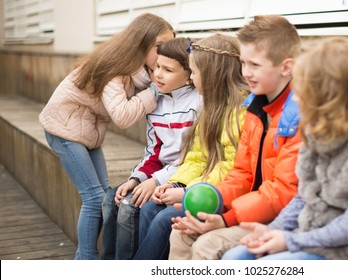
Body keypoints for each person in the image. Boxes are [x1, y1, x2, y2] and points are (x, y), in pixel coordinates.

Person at [222, 37, 348, 260]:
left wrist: (290, 241)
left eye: (304, 88)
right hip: (312, 234)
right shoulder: (317, 130)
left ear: (331, 92)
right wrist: (272, 231)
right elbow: (303, 196)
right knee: (235, 258)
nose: (295, 96)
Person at [38, 13, 174, 260]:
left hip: (87, 130)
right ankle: (86, 260)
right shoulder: (116, 69)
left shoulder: (140, 71)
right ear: (141, 43)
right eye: (159, 47)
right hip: (63, 129)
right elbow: (122, 116)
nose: (164, 52)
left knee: (103, 198)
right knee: (93, 198)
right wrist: (154, 90)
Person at [168, 15, 302, 260]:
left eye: (255, 65)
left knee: (207, 245)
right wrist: (211, 199)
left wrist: (226, 218)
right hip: (251, 206)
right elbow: (242, 173)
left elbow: (283, 192)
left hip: (281, 218)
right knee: (181, 233)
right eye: (243, 64)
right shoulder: (256, 108)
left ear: (286, 67)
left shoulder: (297, 117)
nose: (246, 73)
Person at [133, 33, 249, 260]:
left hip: (221, 193)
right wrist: (177, 183)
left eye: (194, 72)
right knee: (148, 208)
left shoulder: (239, 112)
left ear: (212, 75)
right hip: (202, 186)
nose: (192, 79)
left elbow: (231, 166)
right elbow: (196, 156)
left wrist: (187, 193)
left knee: (165, 219)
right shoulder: (212, 106)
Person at [100, 37, 201, 259]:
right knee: (111, 198)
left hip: (182, 176)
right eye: (156, 67)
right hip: (159, 174)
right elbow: (154, 151)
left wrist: (155, 181)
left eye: (168, 70)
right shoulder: (157, 104)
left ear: (188, 75)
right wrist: (137, 178)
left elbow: (192, 159)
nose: (157, 74)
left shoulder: (198, 104)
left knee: (130, 206)